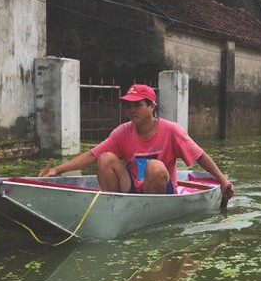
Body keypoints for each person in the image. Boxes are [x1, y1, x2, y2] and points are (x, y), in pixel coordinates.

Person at [39, 84, 234, 200]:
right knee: (105, 158)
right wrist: (57, 170)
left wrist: (223, 181)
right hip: (131, 187)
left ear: (151, 107)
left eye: (138, 105)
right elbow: (92, 155)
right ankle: (113, 205)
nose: (132, 110)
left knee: (155, 167)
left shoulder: (172, 131)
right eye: (128, 105)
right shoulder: (123, 132)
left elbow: (200, 156)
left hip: (160, 191)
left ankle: (152, 211)